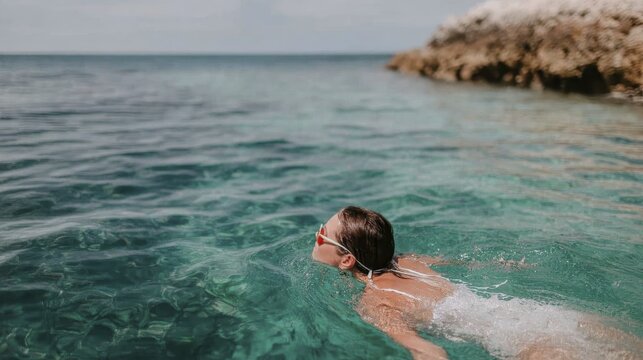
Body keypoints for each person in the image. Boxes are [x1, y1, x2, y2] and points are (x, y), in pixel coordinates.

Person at [310, 205, 642, 360]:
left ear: (346, 260)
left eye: (322, 234)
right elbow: (472, 262)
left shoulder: (375, 301)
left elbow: (430, 352)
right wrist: (505, 263)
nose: (316, 235)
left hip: (518, 340)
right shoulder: (411, 262)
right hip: (540, 314)